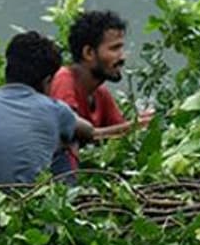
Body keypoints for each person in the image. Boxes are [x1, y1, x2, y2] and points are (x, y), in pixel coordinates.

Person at [0, 31, 93, 184]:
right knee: (65, 147)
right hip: (34, 196)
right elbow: (88, 131)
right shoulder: (55, 110)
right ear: (47, 81)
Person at [48, 10, 152, 171]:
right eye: (114, 49)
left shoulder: (100, 93)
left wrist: (142, 126)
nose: (122, 57)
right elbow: (71, 132)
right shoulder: (63, 80)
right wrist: (134, 126)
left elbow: (120, 136)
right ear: (89, 53)